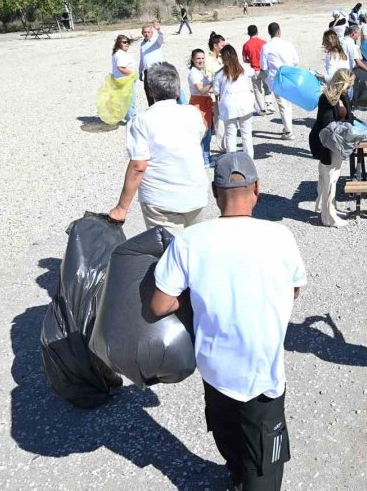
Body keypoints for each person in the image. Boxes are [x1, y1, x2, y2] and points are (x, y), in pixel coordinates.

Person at [150, 152, 306, 490]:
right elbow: (294, 290)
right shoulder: (281, 237)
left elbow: (160, 304)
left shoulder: (190, 241)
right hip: (263, 374)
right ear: (257, 189)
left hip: (214, 370)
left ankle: (236, 476)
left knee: (228, 438)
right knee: (264, 462)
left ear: (213, 191)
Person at [108, 62, 208, 234]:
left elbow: (138, 166)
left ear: (151, 91)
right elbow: (201, 134)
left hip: (160, 198)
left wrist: (122, 208)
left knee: (168, 252)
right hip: (194, 192)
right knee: (194, 247)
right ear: (178, 90)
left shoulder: (141, 121)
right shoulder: (193, 114)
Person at [308, 70, 355, 228]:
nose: (351, 87)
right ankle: (328, 217)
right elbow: (326, 124)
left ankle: (331, 210)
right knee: (329, 179)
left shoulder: (343, 96)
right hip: (327, 144)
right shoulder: (326, 99)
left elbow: (350, 117)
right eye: (349, 84)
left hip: (339, 143)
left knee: (333, 178)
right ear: (342, 83)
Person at [260, 23, 300, 141]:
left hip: (276, 78)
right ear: (279, 31)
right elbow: (296, 61)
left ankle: (288, 131)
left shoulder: (266, 47)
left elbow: (263, 65)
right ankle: (287, 126)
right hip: (289, 76)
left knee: (282, 104)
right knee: (287, 103)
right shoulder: (288, 44)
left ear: (269, 33)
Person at [215, 45, 256, 159]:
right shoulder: (243, 70)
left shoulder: (219, 74)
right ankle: (249, 160)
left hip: (228, 106)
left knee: (230, 135)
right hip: (245, 105)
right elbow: (253, 71)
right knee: (246, 135)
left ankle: (232, 162)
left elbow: (216, 90)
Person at [187, 49, 216, 166]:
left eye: (203, 58)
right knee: (203, 132)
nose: (201, 60)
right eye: (198, 58)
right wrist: (213, 83)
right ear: (193, 60)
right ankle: (205, 159)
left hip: (205, 102)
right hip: (198, 103)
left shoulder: (200, 72)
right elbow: (201, 90)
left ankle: (206, 157)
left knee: (207, 131)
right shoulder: (193, 73)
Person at [242, 25, 272, 116]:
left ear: (248, 33)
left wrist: (251, 60)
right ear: (257, 32)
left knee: (257, 89)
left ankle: (262, 109)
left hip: (254, 70)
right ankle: (269, 103)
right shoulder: (263, 42)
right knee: (267, 86)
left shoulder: (246, 45)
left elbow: (244, 59)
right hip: (264, 69)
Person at [111, 34, 136, 123]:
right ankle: (131, 119)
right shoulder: (120, 54)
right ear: (119, 43)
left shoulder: (119, 53)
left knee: (125, 100)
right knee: (130, 100)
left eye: (128, 42)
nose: (127, 44)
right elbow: (121, 68)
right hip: (125, 80)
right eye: (124, 42)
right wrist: (133, 74)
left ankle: (128, 116)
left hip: (121, 80)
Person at [138, 21, 164, 106]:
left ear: (152, 33)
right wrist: (140, 71)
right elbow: (142, 59)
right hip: (147, 71)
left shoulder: (156, 42)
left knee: (159, 92)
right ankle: (151, 109)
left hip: (157, 70)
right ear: (142, 33)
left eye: (148, 32)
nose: (147, 34)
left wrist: (159, 30)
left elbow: (161, 38)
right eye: (145, 32)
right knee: (148, 93)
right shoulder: (142, 44)